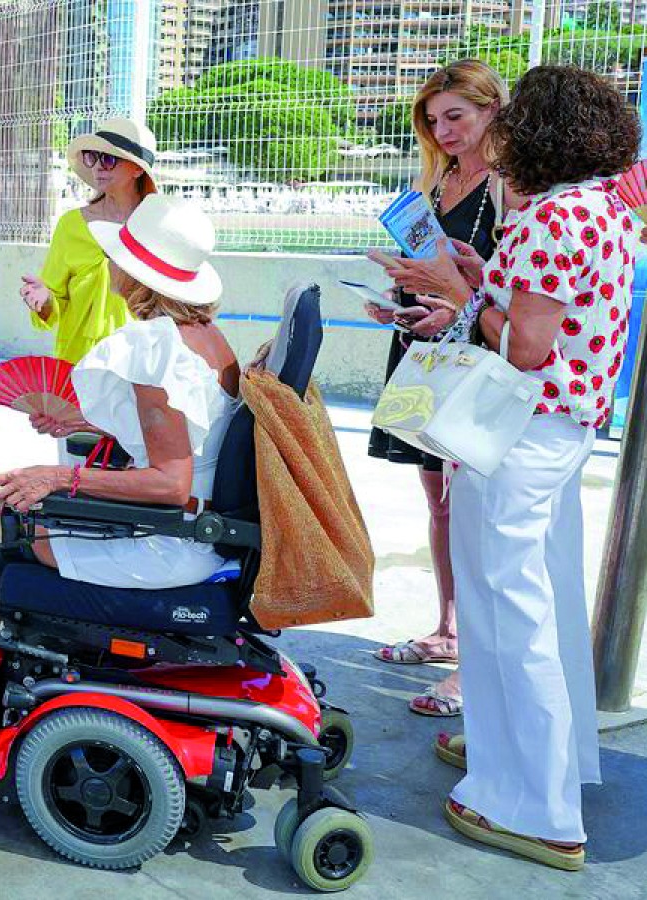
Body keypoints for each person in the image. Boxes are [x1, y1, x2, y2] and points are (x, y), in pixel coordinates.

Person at [374, 65, 639, 871]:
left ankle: (537, 807)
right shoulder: (600, 208)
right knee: (528, 604)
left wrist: (459, 294)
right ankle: (524, 762)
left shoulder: (549, 217)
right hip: (561, 427)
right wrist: (484, 277)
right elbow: (557, 309)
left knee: (506, 607)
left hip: (519, 429)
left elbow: (524, 345)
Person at [0, 195, 239, 711]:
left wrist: (62, 479)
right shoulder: (205, 338)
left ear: (134, 274)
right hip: (193, 528)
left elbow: (170, 480)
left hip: (169, 542)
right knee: (1, 515)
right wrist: (85, 421)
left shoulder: (154, 351)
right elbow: (185, 433)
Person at [366, 59, 522, 719]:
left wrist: (454, 297)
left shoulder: (511, 187)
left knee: (470, 513)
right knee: (438, 505)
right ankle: (449, 630)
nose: (444, 130)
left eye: (456, 115)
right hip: (422, 351)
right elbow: (428, 269)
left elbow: (514, 289)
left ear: (493, 110)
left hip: (474, 359)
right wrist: (397, 298)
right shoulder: (434, 180)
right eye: (433, 120)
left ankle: (470, 665)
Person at [20, 118, 157, 365]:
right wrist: (44, 300)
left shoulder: (156, 228)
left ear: (138, 169)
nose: (98, 167)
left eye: (109, 158)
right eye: (93, 157)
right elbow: (54, 303)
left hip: (137, 365)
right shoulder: (70, 224)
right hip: (77, 363)